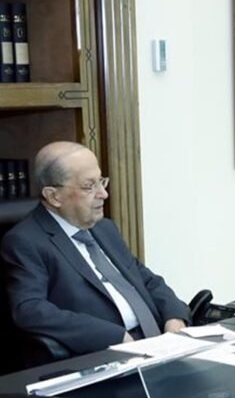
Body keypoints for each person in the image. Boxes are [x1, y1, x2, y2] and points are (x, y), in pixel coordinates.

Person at [0, 141, 190, 356]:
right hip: (107, 354)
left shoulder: (104, 228)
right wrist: (114, 337)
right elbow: (29, 309)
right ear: (54, 196)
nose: (103, 194)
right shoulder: (25, 241)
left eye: (101, 181)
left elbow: (145, 279)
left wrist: (175, 317)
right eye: (89, 186)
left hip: (159, 343)